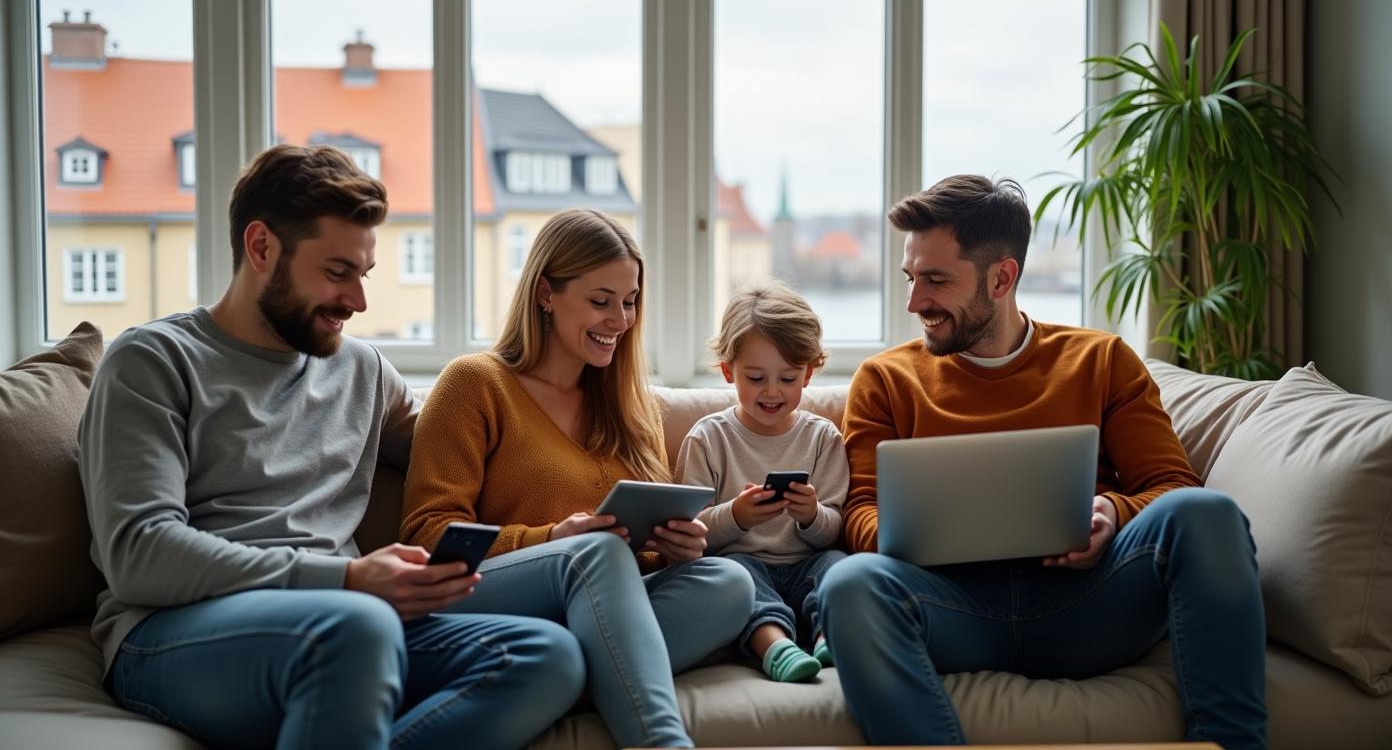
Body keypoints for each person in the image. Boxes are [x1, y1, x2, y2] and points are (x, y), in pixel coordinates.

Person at [79, 144, 584, 750]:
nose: (359, 301)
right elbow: (139, 554)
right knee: (359, 626)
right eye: (337, 272)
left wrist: (605, 501)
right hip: (174, 631)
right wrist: (344, 579)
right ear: (261, 247)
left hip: (346, 624)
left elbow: (472, 453)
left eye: (362, 275)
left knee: (546, 655)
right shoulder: (154, 361)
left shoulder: (364, 372)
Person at [818, 175, 1266, 749]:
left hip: (1087, 605)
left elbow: (1172, 487)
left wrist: (1113, 512)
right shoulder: (886, 379)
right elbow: (859, 512)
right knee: (849, 583)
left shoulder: (1101, 360)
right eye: (910, 278)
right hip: (949, 611)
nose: (914, 302)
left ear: (1002, 277)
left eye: (935, 280)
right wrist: (912, 538)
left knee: (1207, 513)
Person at [400, 208, 755, 749]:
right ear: (546, 293)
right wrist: (552, 540)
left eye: (630, 301)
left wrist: (674, 548)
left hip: (588, 610)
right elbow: (428, 536)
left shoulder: (630, 408)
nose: (621, 319)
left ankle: (556, 676)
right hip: (479, 595)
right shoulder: (476, 384)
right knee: (594, 552)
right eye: (600, 300)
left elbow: (634, 561)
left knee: (729, 583)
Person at [674, 283, 849, 683]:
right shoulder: (708, 438)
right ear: (727, 371)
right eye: (756, 378)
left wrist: (811, 516)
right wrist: (735, 516)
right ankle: (777, 648)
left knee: (836, 566)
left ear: (807, 374)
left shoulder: (822, 438)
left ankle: (827, 639)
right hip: (742, 568)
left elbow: (834, 532)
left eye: (787, 378)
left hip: (805, 563)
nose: (772, 391)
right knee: (735, 573)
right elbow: (691, 536)